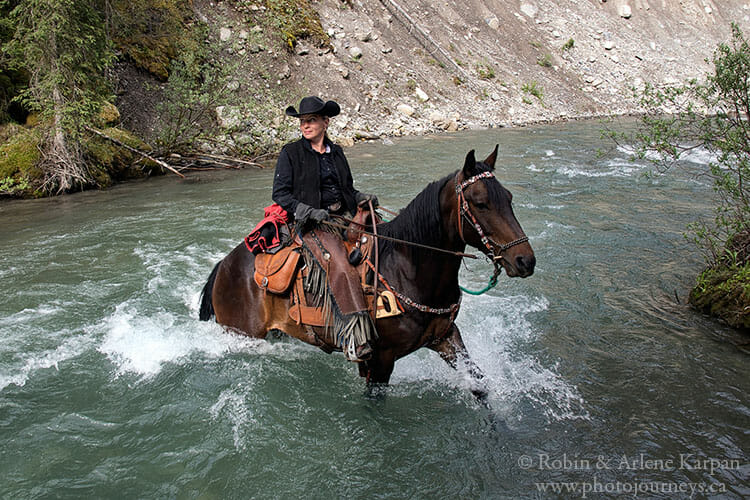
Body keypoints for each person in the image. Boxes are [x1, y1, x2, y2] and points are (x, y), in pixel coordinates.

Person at [272, 96, 378, 361]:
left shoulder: (337, 152)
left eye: (311, 121)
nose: (305, 126)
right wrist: (306, 210)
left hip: (343, 216)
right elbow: (280, 194)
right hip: (310, 223)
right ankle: (355, 337)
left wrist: (362, 198)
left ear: (325, 122)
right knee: (340, 264)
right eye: (302, 121)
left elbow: (348, 190)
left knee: (383, 239)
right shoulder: (291, 153)